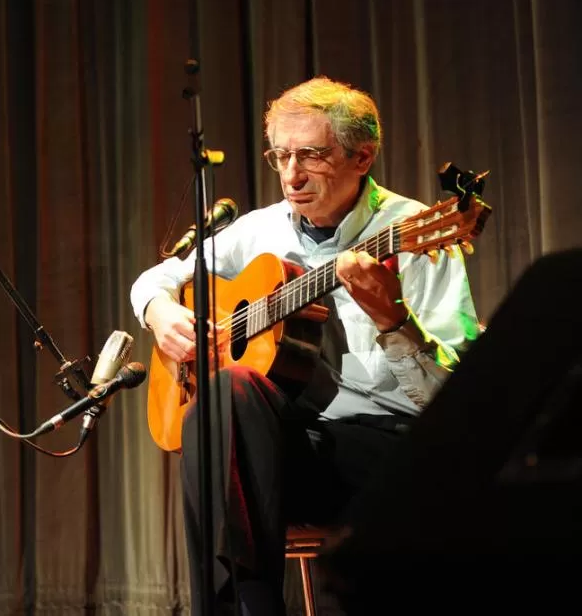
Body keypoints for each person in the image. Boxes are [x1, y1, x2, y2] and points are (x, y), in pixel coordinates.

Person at [130, 77, 480, 614]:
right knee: (225, 397)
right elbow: (152, 281)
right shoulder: (259, 231)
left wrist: (394, 322)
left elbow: (455, 404)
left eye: (312, 156)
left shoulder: (413, 234)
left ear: (363, 156)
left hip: (389, 454)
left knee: (226, 428)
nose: (291, 176)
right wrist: (161, 314)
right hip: (290, 452)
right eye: (281, 155)